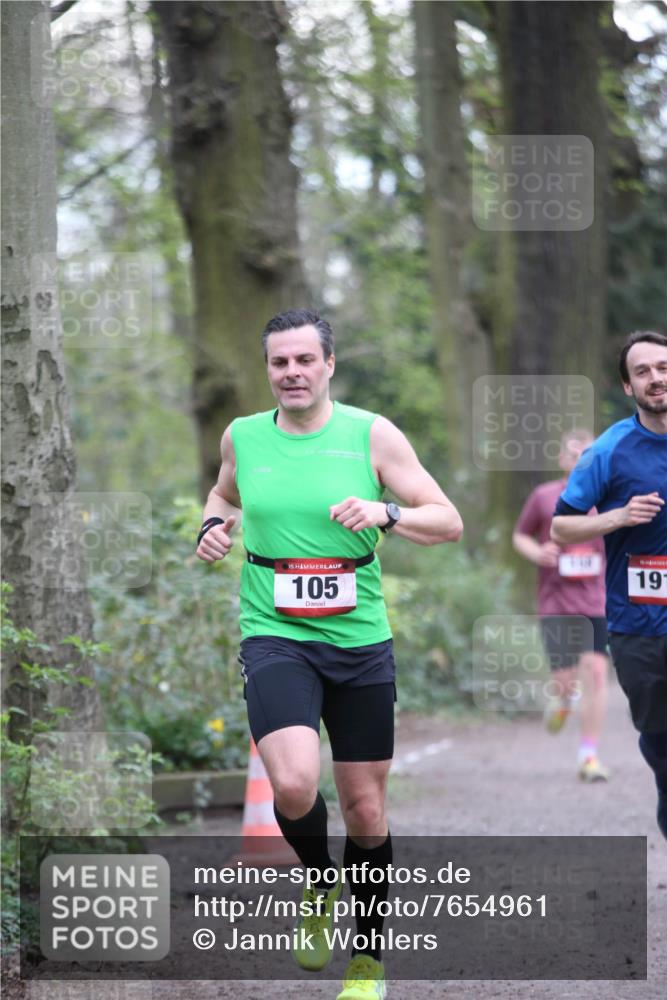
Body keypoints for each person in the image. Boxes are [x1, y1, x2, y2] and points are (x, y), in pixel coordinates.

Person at [196, 308, 464, 999]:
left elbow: (447, 520)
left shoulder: (370, 434)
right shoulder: (243, 437)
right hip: (274, 631)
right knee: (290, 783)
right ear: (269, 370)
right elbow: (223, 496)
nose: (291, 372)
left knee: (366, 809)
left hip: (358, 641)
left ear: (328, 366)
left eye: (303, 360)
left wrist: (388, 514)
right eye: (279, 362)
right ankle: (320, 879)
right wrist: (212, 528)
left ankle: (368, 958)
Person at [551, 331, 667, 839]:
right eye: (642, 371)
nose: (656, 378)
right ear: (628, 385)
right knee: (661, 745)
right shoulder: (608, 451)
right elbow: (561, 527)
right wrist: (618, 517)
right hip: (638, 626)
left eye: (662, 367)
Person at [513, 429, 610, 782]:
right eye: (574, 454)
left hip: (596, 602)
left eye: (587, 454)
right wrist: (538, 552)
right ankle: (564, 699)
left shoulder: (609, 497)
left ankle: (589, 756)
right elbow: (520, 535)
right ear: (562, 459)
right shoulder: (544, 497)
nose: (579, 459)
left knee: (597, 675)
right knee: (566, 681)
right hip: (556, 602)